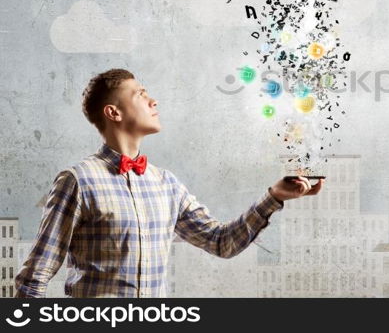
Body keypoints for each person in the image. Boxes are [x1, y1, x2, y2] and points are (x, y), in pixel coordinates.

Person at [14, 68, 323, 298]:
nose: (153, 100)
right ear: (113, 112)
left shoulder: (167, 185)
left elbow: (221, 242)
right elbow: (34, 278)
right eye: (140, 94)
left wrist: (274, 196)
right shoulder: (78, 181)